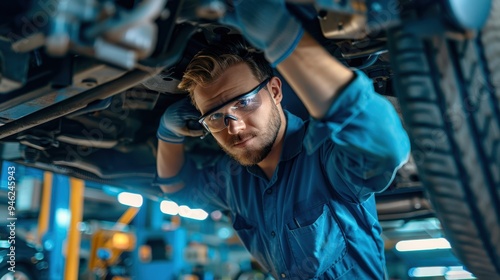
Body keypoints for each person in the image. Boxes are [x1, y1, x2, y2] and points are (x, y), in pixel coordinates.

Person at [155, 1, 410, 279]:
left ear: (275, 91)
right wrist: (167, 134)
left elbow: (385, 149)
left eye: (245, 102)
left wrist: (285, 39)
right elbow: (179, 189)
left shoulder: (325, 155)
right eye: (215, 117)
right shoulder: (233, 180)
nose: (235, 127)